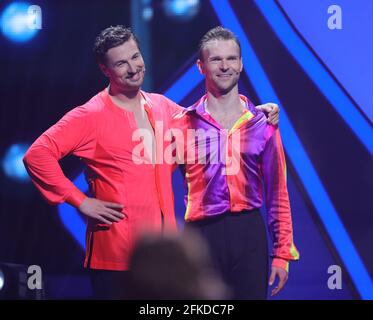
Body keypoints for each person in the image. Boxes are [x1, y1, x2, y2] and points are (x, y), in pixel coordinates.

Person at [23, 25, 279, 299]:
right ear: (105, 70)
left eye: (135, 56)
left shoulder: (163, 107)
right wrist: (80, 200)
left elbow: (212, 122)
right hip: (117, 257)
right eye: (121, 63)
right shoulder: (90, 115)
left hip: (163, 259)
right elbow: (37, 155)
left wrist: (254, 112)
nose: (133, 68)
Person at [178, 26, 300, 299]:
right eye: (215, 59)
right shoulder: (182, 123)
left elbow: (278, 192)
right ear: (201, 66)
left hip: (249, 235)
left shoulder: (263, 123)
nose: (224, 66)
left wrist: (282, 254)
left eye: (231, 58)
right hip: (201, 237)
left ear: (242, 64)